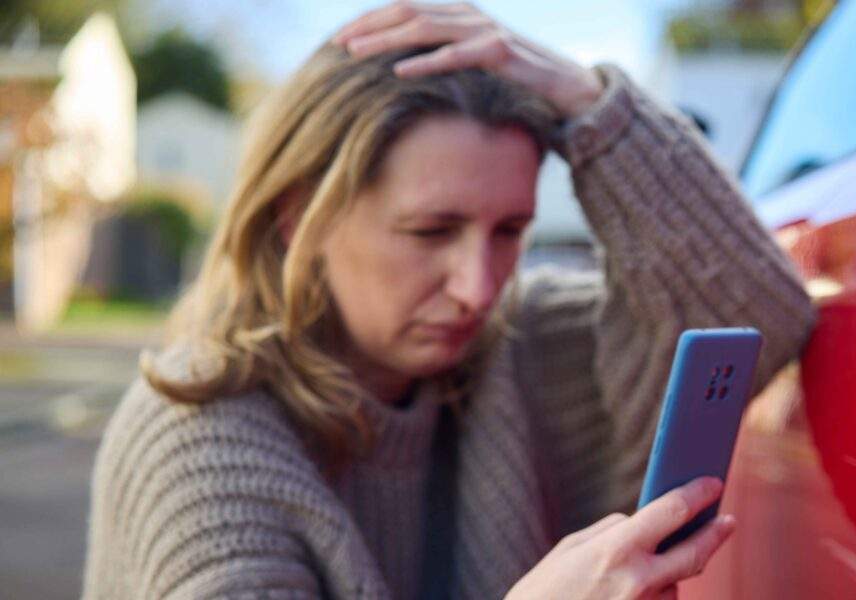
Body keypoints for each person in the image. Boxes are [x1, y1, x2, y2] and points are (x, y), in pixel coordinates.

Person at [82, 2, 813, 598]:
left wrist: (594, 107)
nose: (478, 287)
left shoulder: (519, 348)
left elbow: (756, 311)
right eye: (432, 230)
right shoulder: (200, 436)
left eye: (510, 230)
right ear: (299, 214)